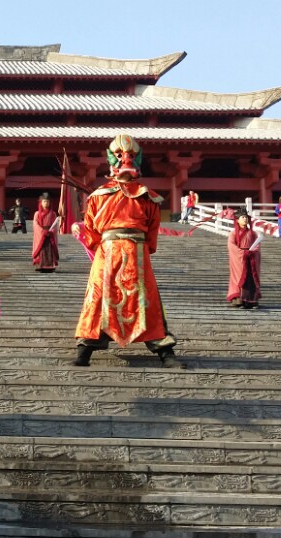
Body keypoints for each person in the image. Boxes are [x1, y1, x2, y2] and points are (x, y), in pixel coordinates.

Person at [71, 134, 183, 369]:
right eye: (121, 156)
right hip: (107, 252)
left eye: (131, 156)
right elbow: (91, 229)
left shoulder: (148, 196)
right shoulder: (98, 196)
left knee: (147, 299)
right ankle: (85, 350)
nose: (125, 160)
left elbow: (152, 230)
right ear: (112, 160)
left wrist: (142, 248)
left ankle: (165, 351)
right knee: (98, 297)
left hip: (137, 252)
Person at [227, 208, 262, 309]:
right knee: (239, 278)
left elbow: (257, 245)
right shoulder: (233, 233)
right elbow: (231, 246)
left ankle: (251, 301)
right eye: (242, 217)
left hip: (251, 258)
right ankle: (239, 300)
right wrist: (242, 253)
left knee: (251, 279)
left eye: (246, 217)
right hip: (240, 258)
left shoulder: (253, 233)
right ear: (237, 220)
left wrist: (253, 252)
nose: (245, 219)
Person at [31, 196, 59, 272]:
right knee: (41, 250)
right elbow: (35, 224)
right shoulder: (37, 213)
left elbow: (55, 225)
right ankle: (40, 265)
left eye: (47, 202)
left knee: (49, 249)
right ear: (41, 203)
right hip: (41, 233)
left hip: (50, 234)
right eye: (44, 201)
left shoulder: (53, 214)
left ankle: (50, 266)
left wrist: (51, 231)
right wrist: (42, 231)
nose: (46, 203)